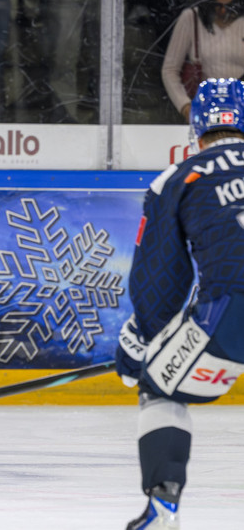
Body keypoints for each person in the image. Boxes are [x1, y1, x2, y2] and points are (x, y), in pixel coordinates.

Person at [116, 77, 244, 529]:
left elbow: (161, 280)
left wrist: (145, 341)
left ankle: (163, 507)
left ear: (196, 128)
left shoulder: (179, 177)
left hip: (233, 313)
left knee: (160, 389)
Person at [162, 0, 244, 122]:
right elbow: (170, 70)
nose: (223, 11)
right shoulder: (191, 19)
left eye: (230, 7)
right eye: (217, 6)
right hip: (204, 109)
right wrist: (185, 106)